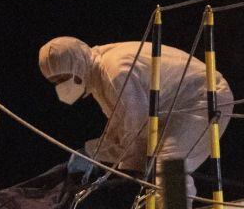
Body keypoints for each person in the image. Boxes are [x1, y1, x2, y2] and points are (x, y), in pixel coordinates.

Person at [38, 37, 233, 200]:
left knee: (168, 163)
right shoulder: (98, 77)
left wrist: (97, 155)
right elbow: (121, 127)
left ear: (76, 64)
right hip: (177, 106)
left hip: (204, 97)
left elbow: (137, 130)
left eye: (63, 78)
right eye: (55, 82)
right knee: (147, 168)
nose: (61, 86)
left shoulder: (115, 71)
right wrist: (93, 152)